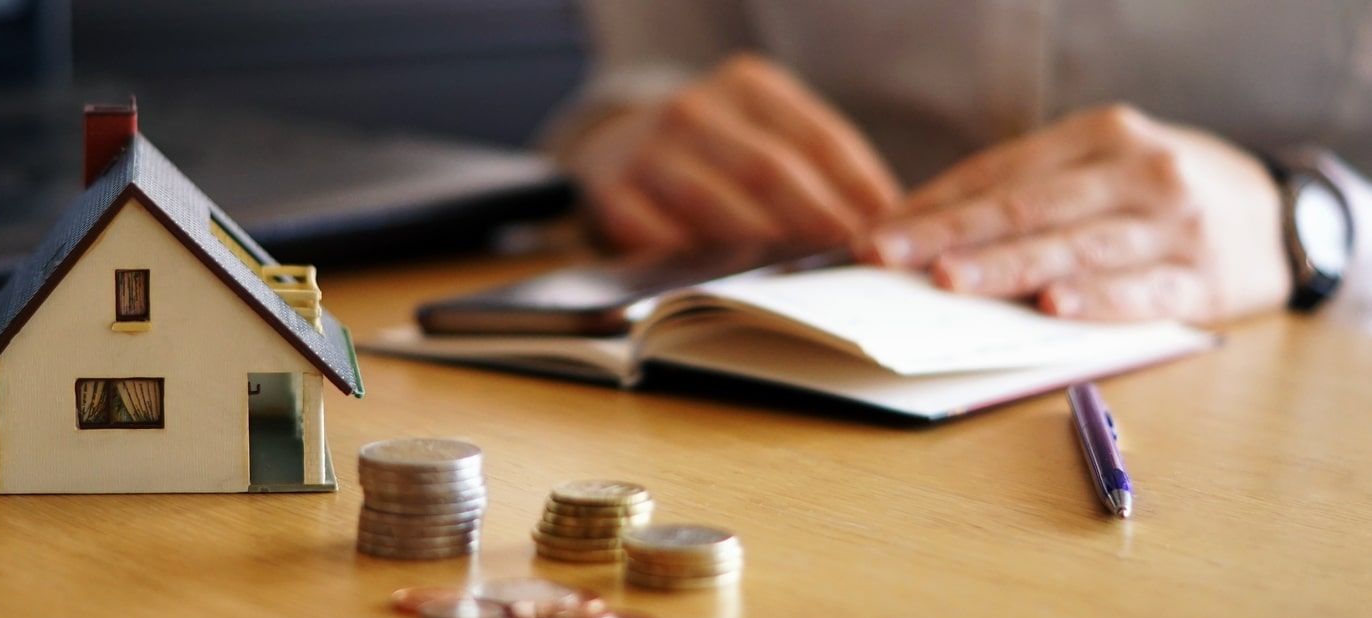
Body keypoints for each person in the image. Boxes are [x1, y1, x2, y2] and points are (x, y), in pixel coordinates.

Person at [550, 0, 1372, 323]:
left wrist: (1312, 221)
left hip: (1292, 390)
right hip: (783, 362)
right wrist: (625, 134)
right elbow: (643, 73)